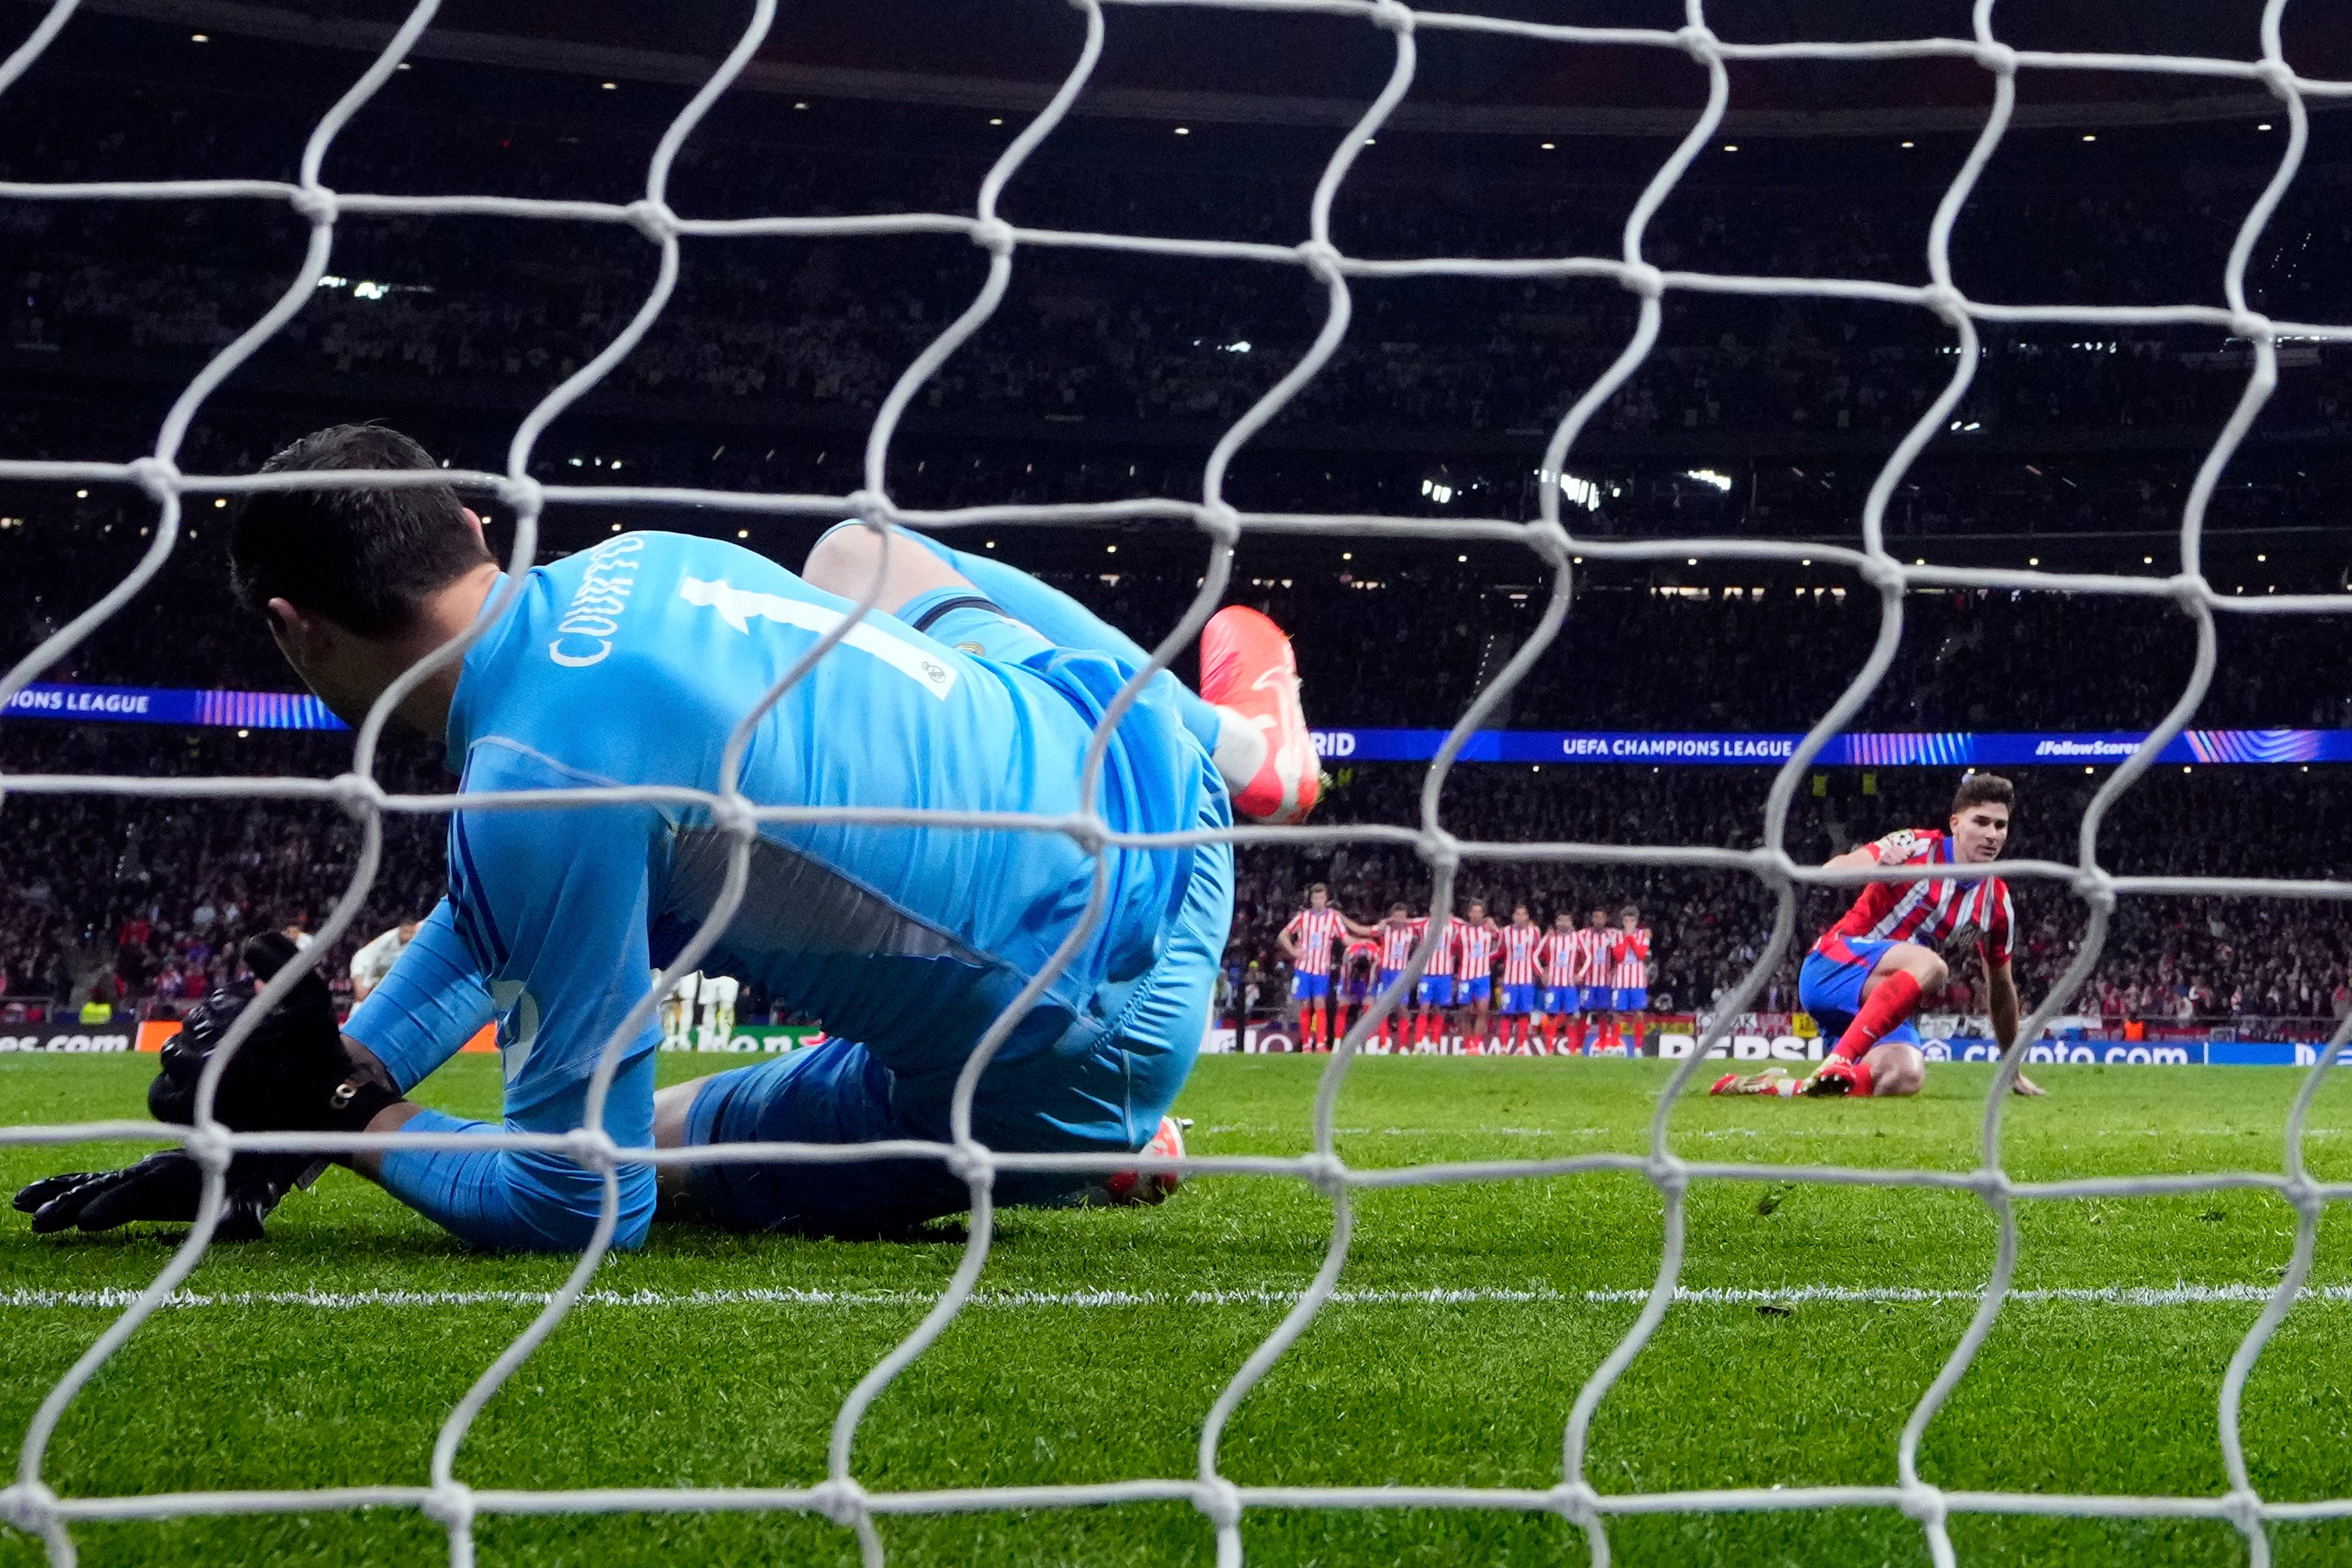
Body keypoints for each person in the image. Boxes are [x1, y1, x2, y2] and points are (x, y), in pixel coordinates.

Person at [16, 422, 1318, 1249]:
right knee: (860, 553)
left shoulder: (533, 778)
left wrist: (348, 1117)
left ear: (294, 629)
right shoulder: (641, 559)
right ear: (472, 529)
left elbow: (580, 1204)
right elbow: (497, 916)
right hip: (1164, 798)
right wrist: (317, 1093)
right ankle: (1248, 746)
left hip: (1074, 1060)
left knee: (654, 1139)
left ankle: (1077, 1143)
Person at [1712, 773, 2045, 1099]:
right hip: (1832, 967)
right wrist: (1877, 867)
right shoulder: (1916, 846)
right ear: (1955, 823)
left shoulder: (1996, 903)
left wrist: (2011, 1067)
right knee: (1932, 966)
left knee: (1904, 1075)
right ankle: (1840, 1059)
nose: (1991, 835)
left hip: (1879, 1001)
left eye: (2000, 826)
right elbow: (1830, 873)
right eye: (1981, 822)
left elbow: (2001, 990)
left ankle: (1776, 1087)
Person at [1277, 884, 1373, 1052]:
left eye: (1321, 898)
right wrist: (1293, 951)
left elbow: (1345, 939)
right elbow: (1283, 934)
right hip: (1303, 968)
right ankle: (1306, 1045)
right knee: (1305, 1004)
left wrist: (1362, 943)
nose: (1318, 901)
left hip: (1322, 969)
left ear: (1326, 899)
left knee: (1320, 1004)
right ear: (1311, 900)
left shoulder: (1333, 918)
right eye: (1315, 898)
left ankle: (1321, 1043)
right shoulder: (1302, 917)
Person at [1450, 900, 1500, 1054]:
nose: (1477, 915)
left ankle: (1476, 1046)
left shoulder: (1488, 930)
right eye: (1474, 912)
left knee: (1482, 1011)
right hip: (1465, 976)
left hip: (1482, 977)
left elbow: (1501, 939)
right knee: (1465, 1012)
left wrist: (1493, 925)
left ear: (1483, 914)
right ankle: (1468, 1046)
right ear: (1469, 914)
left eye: (1480, 912)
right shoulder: (1461, 931)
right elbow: (1454, 949)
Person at [1603, 903, 1651, 1057]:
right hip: (1620, 981)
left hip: (1637, 982)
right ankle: (1615, 1046)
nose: (1629, 923)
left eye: (1632, 920)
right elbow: (1619, 956)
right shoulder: (1616, 936)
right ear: (1622, 921)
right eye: (1626, 920)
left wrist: (1631, 938)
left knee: (1639, 1014)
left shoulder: (1643, 935)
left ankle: (1638, 1048)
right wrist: (1627, 938)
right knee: (1617, 1015)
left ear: (1636, 921)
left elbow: (1641, 955)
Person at [1495, 903, 1542, 1054]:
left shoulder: (1534, 932)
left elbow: (1538, 953)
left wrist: (1541, 972)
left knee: (1524, 1013)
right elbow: (1499, 951)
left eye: (1523, 914)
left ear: (1527, 917)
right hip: (1509, 980)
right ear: (1513, 917)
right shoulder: (1505, 932)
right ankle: (1504, 1048)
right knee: (1506, 1013)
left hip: (1527, 980)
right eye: (1518, 914)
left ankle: (1521, 1047)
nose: (1521, 917)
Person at [1370, 902, 1417, 1054]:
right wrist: (1385, 921)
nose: (1400, 920)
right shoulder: (1386, 930)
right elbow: (1374, 931)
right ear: (1392, 917)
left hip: (1401, 974)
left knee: (1402, 1009)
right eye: (1397, 917)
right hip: (1385, 973)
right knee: (1382, 1009)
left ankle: (1403, 1046)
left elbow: (1423, 924)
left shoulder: (1411, 931)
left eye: (1402, 917)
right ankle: (1384, 1044)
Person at [1533, 910, 1579, 1055]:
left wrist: (1580, 974)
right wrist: (1542, 973)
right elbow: (1534, 956)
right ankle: (1549, 1050)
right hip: (1553, 985)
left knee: (1571, 1017)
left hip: (1569, 985)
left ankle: (1572, 1051)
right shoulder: (1550, 938)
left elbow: (1589, 957)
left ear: (1571, 922)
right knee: (1552, 1016)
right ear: (1556, 922)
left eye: (1566, 920)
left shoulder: (1577, 938)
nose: (1563, 923)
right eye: (1560, 920)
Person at [348, 917, 422, 1004]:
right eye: (406, 932)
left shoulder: (419, 937)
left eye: (411, 933)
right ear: (400, 929)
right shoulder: (388, 939)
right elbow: (361, 957)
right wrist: (360, 985)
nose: (409, 936)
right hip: (372, 980)